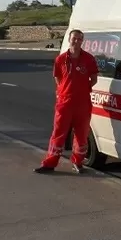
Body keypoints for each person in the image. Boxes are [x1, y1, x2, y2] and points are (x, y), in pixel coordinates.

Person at [34, 29, 99, 174]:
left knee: (81, 134)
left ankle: (78, 162)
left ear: (83, 41)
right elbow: (58, 78)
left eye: (79, 39)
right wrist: (65, 90)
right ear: (69, 39)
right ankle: (50, 163)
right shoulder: (61, 59)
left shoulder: (89, 59)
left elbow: (94, 78)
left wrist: (83, 89)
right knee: (58, 133)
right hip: (65, 102)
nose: (76, 41)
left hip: (82, 102)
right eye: (74, 38)